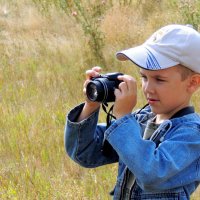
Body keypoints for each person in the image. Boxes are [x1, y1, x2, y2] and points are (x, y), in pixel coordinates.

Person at [64, 24, 200, 199]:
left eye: (159, 79)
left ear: (193, 83)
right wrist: (91, 105)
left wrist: (122, 119)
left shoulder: (192, 134)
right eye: (144, 77)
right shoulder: (140, 120)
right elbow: (85, 153)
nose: (148, 88)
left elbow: (151, 174)